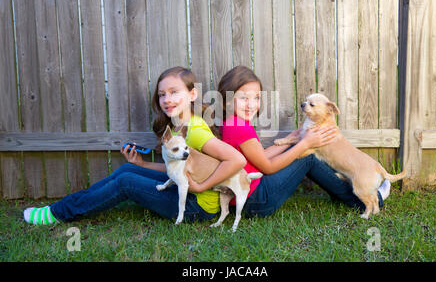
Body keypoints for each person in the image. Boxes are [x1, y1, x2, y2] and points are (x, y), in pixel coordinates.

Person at [23, 66, 246, 225]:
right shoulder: (180, 127)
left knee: (126, 182)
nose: (167, 99)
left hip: (196, 206)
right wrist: (142, 164)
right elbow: (178, 171)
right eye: (162, 94)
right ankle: (68, 204)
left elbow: (237, 160)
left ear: (192, 94)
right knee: (129, 169)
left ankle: (59, 213)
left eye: (174, 92)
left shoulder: (195, 131)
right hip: (185, 191)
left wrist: (200, 186)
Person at [192, 65, 390, 218]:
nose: (251, 104)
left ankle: (352, 190)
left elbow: (259, 158)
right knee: (309, 157)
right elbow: (267, 167)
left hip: (250, 194)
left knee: (305, 150)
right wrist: (305, 144)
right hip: (258, 200)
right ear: (228, 100)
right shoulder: (240, 128)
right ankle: (367, 199)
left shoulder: (232, 123)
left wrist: (291, 141)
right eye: (244, 98)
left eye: (256, 98)